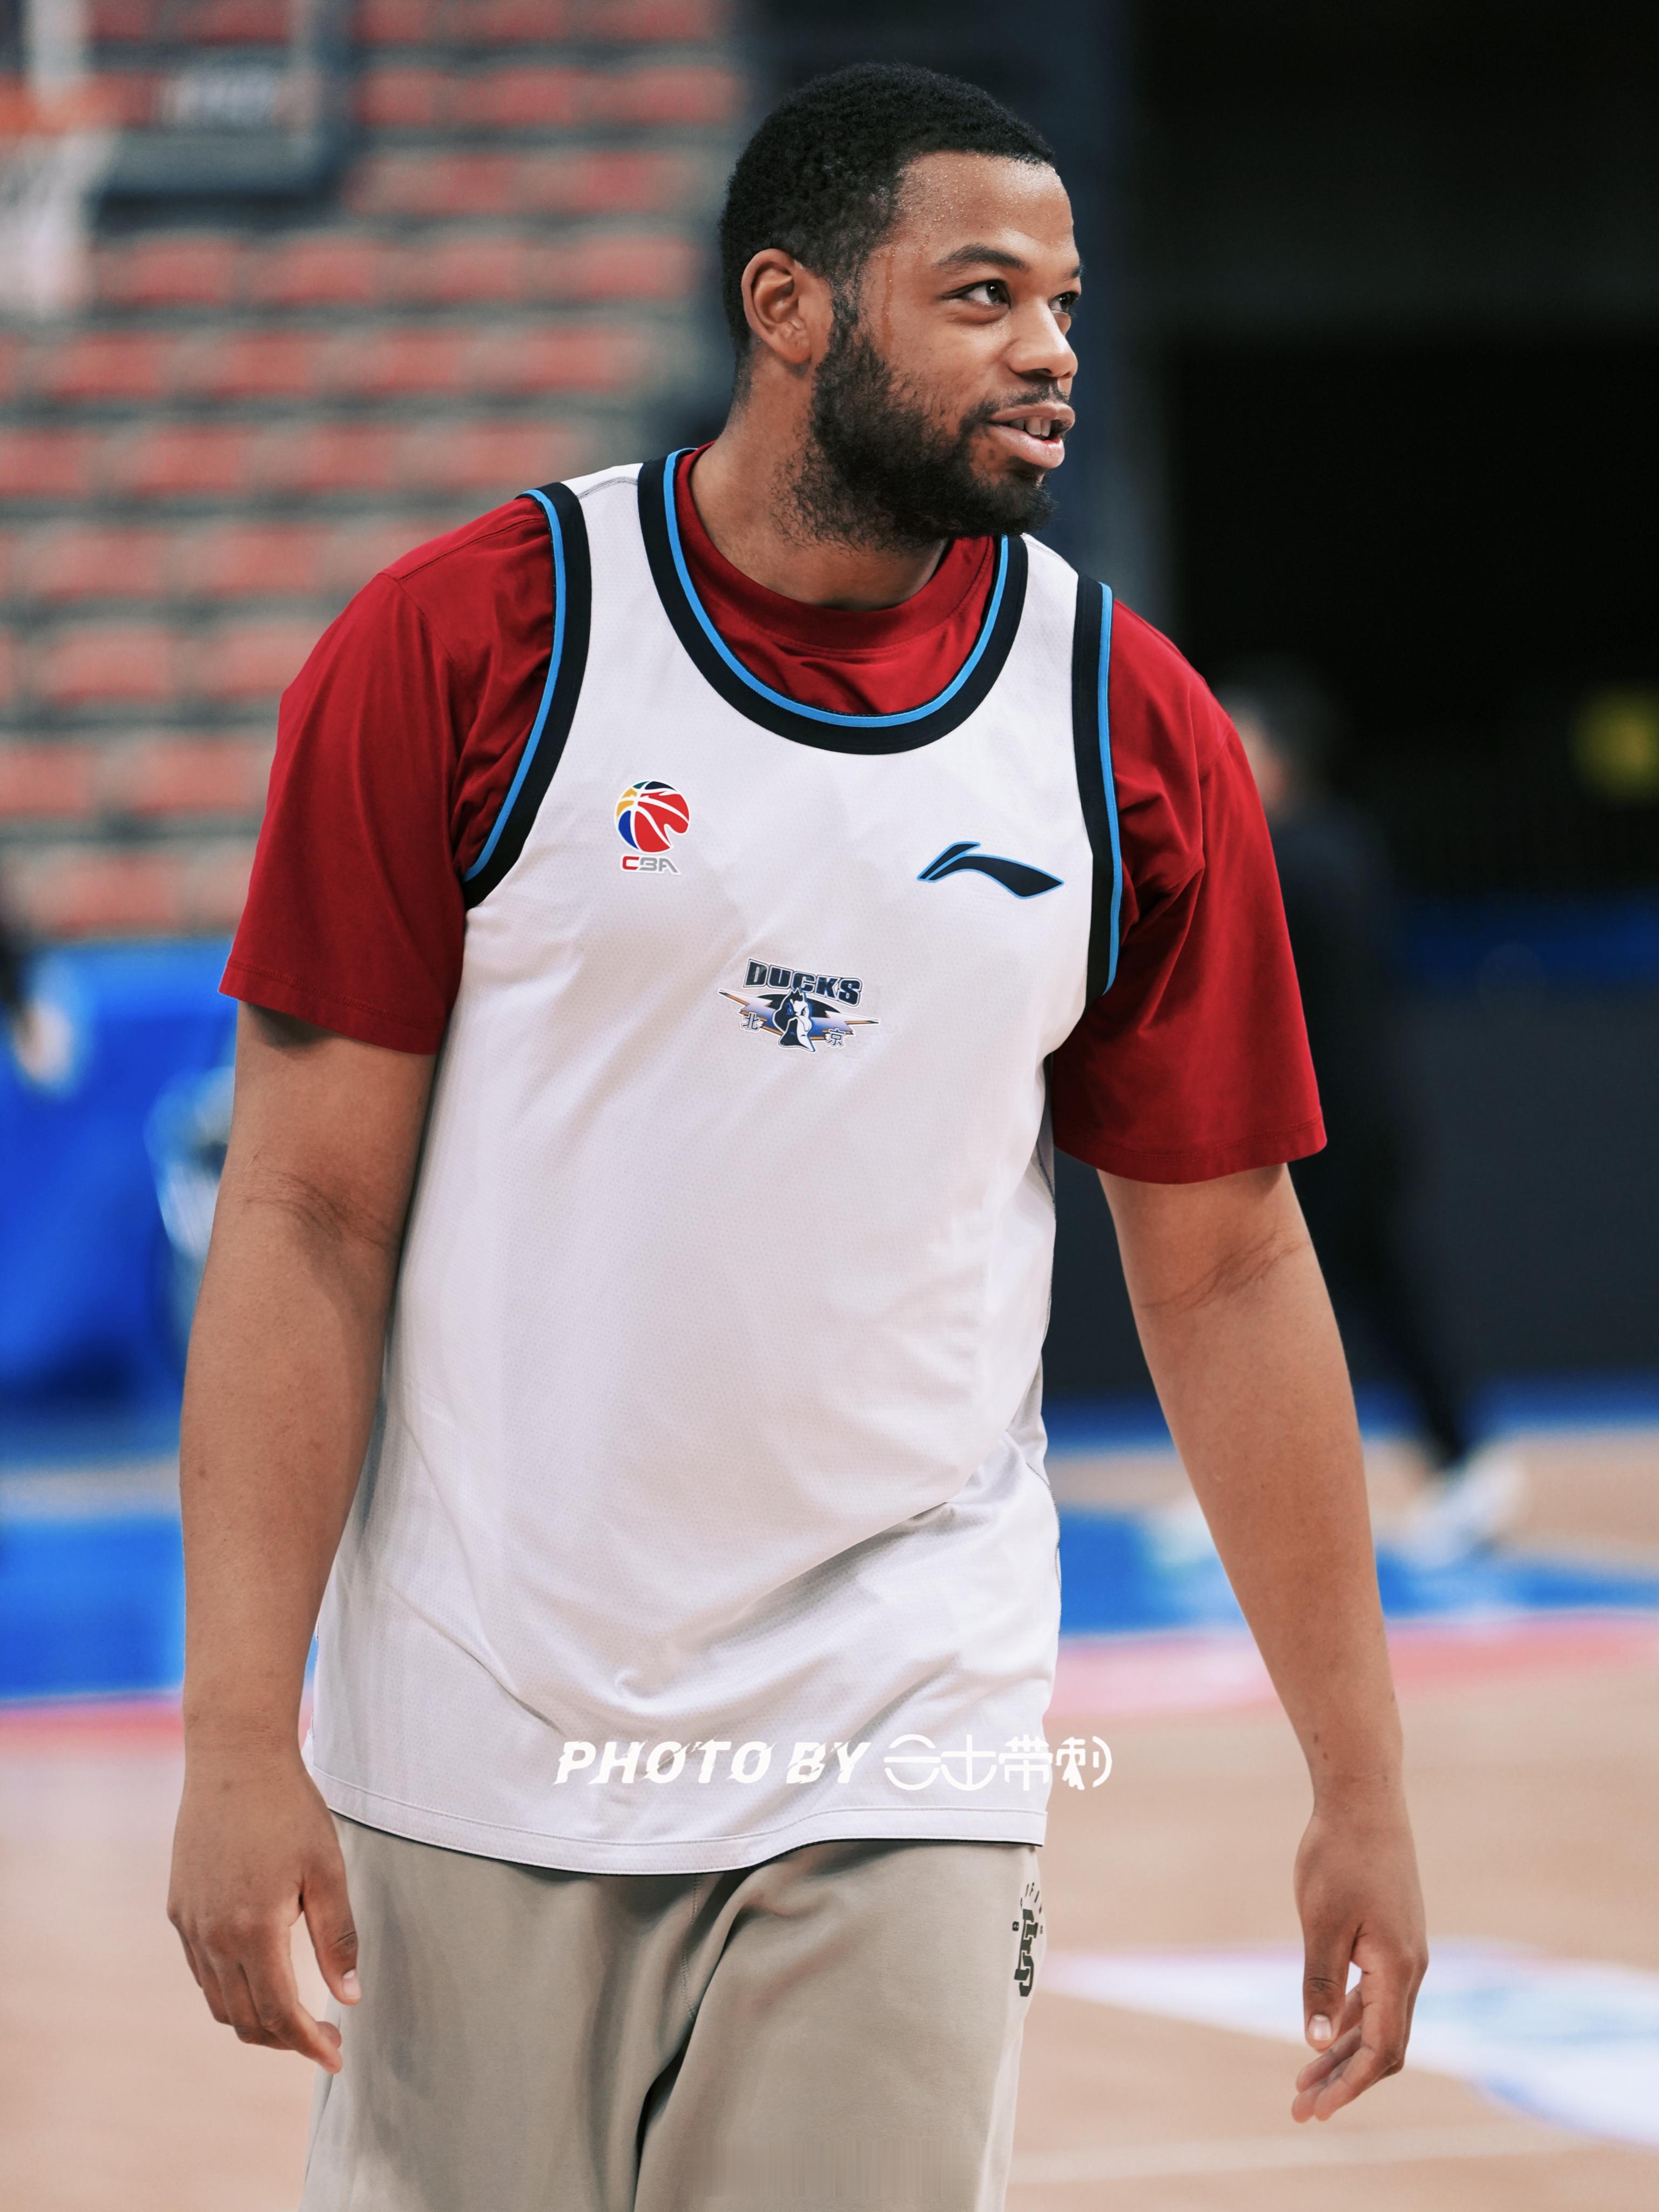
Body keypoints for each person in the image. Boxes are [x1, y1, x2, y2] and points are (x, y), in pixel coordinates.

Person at [167, 65, 1427, 2212]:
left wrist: (1362, 1779)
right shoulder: (465, 646)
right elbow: (303, 1216)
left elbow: (1229, 1267)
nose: (1050, 348)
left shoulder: (1125, 726)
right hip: (482, 1724)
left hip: (907, 1716)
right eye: (982, 293)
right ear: (791, 307)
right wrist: (231, 1734)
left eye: (1065, 299)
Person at [1223, 663, 1525, 1562]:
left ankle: (1457, 1468)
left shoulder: (1300, 857)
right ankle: (1451, 1466)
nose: (1223, 754)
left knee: (1316, 1306)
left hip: (1338, 1128)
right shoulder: (1332, 846)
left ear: (1278, 755)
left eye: (1239, 738)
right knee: (1372, 1299)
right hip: (1349, 1122)